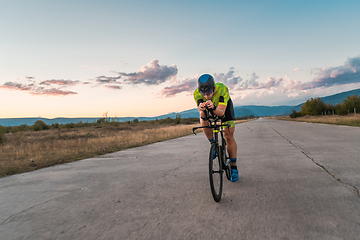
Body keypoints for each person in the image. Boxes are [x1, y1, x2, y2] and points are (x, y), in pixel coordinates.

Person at [193, 74, 239, 182]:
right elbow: (203, 116)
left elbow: (221, 113)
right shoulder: (197, 94)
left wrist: (213, 107)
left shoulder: (222, 89)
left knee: (228, 135)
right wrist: (203, 110)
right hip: (210, 108)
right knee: (203, 121)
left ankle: (234, 167)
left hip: (224, 109)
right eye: (203, 93)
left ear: (213, 88)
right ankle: (213, 144)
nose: (206, 96)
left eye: (208, 92)